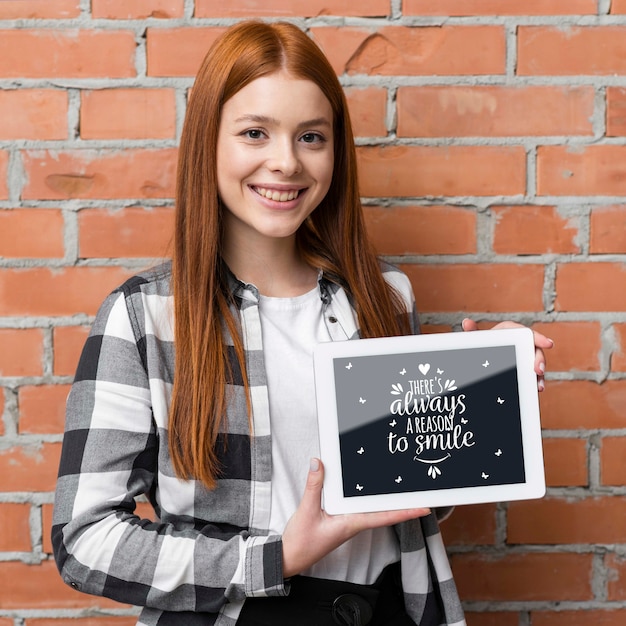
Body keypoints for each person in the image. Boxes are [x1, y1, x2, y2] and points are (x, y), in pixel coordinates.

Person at [52, 20, 552, 626]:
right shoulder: (143, 318)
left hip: (391, 607)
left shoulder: (384, 297)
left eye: (311, 137)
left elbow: (410, 498)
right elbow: (85, 541)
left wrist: (483, 399)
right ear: (209, 140)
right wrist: (277, 557)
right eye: (255, 133)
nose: (285, 163)